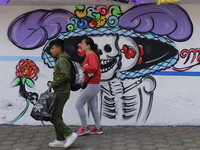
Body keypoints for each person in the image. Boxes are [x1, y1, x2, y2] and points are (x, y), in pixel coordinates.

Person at [47, 39, 78, 148]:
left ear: (59, 48)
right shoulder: (61, 58)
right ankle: (60, 139)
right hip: (61, 90)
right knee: (57, 115)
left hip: (62, 91)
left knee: (53, 116)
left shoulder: (61, 60)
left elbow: (65, 76)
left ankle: (69, 134)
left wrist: (53, 84)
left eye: (52, 48)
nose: (51, 50)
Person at [76, 37, 103, 136]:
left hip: (93, 85)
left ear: (88, 46)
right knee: (92, 107)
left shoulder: (91, 55)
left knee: (79, 104)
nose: (81, 45)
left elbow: (92, 68)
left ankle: (84, 128)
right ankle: (98, 128)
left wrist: (83, 68)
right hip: (94, 84)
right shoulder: (91, 54)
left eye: (82, 44)